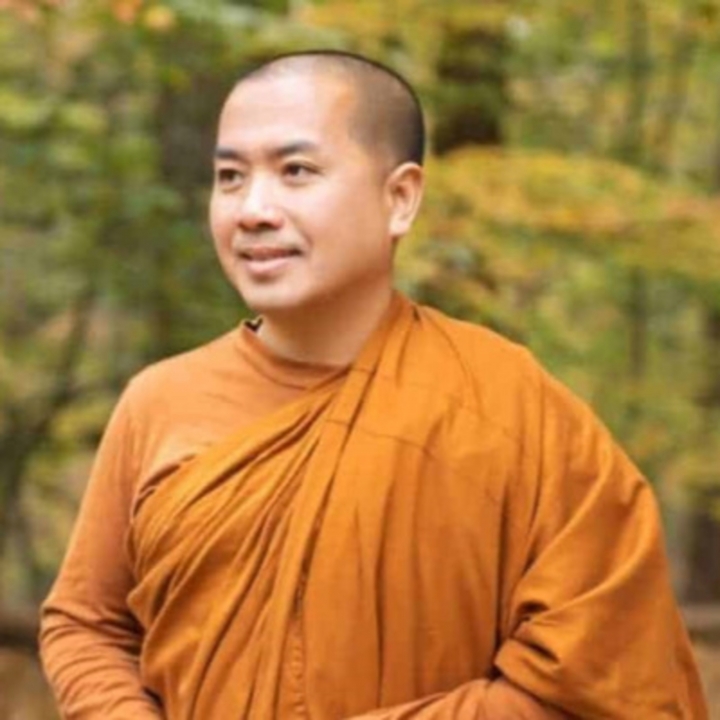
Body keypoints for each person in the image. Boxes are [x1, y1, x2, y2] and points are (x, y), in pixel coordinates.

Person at [39, 50, 708, 720]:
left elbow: (601, 677)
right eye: (230, 177)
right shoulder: (159, 402)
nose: (253, 210)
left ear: (400, 199)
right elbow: (88, 623)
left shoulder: (508, 405)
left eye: (296, 171)